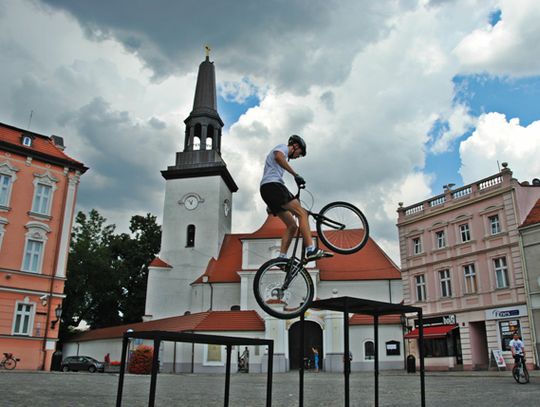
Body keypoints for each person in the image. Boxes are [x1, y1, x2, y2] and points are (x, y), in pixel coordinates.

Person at [260, 135, 332, 262]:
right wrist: (296, 175)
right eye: (299, 153)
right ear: (296, 146)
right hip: (273, 186)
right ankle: (310, 249)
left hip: (268, 190)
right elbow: (278, 157)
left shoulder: (281, 160)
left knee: (292, 225)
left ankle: (281, 258)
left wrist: (271, 203)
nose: (297, 156)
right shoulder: (282, 148)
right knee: (302, 213)